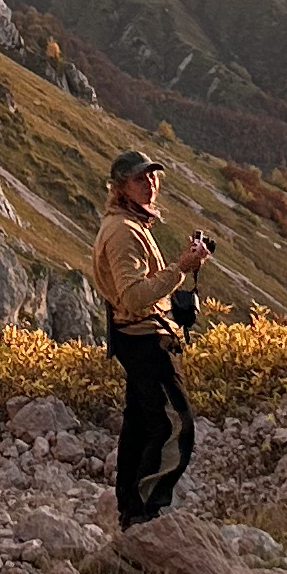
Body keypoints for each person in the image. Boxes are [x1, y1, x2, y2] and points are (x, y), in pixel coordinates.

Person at [92, 151, 211, 528]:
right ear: (120, 188)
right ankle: (146, 511)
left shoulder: (130, 224)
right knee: (176, 423)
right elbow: (133, 297)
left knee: (141, 423)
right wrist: (181, 269)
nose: (151, 185)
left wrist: (180, 266)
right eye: (141, 179)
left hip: (135, 336)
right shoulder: (124, 232)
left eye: (153, 178)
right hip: (144, 340)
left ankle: (130, 509)